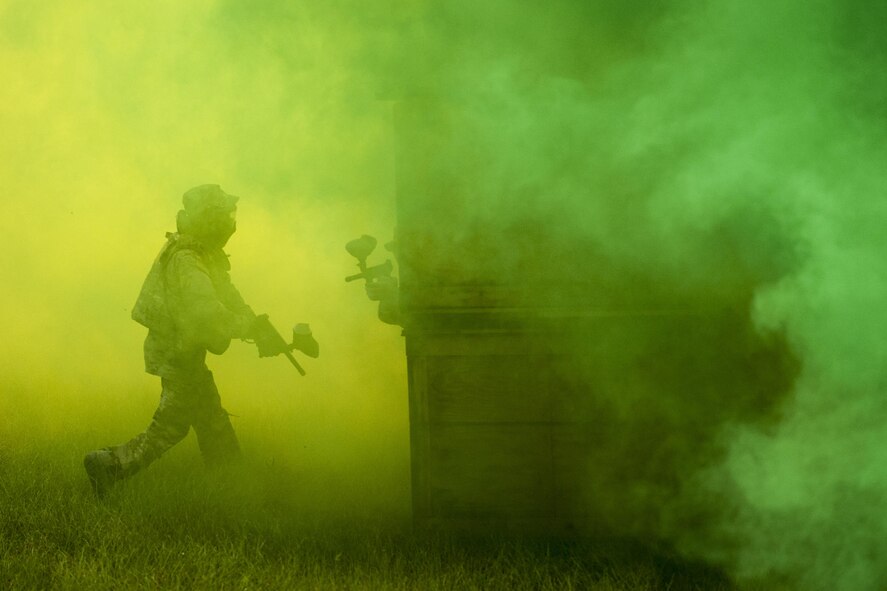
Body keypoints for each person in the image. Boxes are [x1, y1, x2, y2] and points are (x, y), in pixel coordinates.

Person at [84, 184, 275, 497]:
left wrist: (257, 324)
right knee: (170, 427)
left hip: (185, 348)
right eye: (224, 215)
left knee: (211, 416)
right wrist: (249, 329)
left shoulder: (204, 252)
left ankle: (230, 483)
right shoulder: (187, 258)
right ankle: (107, 465)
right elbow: (207, 312)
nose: (230, 222)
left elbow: (229, 295)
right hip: (177, 351)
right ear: (209, 219)